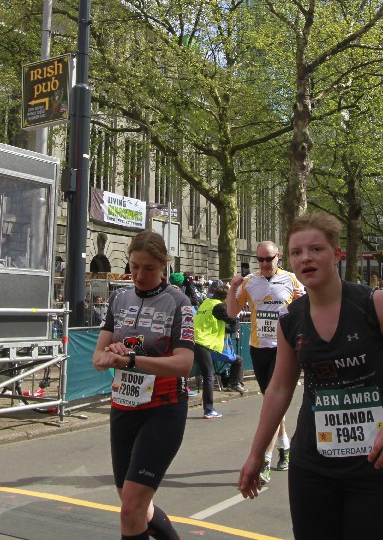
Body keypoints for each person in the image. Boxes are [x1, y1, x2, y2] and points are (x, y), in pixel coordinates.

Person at [237, 212, 383, 539]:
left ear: (337, 254)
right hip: (311, 466)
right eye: (297, 252)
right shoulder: (291, 319)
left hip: (371, 465)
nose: (306, 258)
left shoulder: (374, 303)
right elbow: (279, 389)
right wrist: (257, 454)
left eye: (316, 249)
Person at [93, 230, 194, 540]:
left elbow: (184, 364)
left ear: (164, 265)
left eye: (148, 268)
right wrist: (112, 354)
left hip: (163, 409)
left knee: (131, 508)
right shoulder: (119, 298)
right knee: (134, 504)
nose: (139, 275)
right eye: (134, 266)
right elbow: (98, 358)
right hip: (124, 408)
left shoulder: (179, 302)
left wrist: (132, 360)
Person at [227, 240, 303, 479]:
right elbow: (232, 312)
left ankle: (264, 462)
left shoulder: (292, 280)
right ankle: (285, 447)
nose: (264, 264)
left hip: (284, 349)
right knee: (272, 404)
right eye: (260, 259)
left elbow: (308, 310)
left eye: (268, 259)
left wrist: (301, 301)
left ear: (278, 257)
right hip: (259, 349)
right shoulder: (250, 282)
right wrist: (232, 289)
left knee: (272, 403)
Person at [193, 283, 235, 419]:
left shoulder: (206, 303)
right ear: (226, 298)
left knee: (199, 373)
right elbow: (233, 324)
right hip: (202, 342)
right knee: (209, 376)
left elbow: (213, 322)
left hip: (195, 340)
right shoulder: (219, 307)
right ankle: (209, 409)